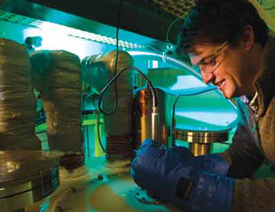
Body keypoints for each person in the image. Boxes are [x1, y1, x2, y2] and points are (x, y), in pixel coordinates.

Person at [130, 0, 275, 211]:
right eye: (200, 67)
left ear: (246, 38)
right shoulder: (247, 88)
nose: (205, 78)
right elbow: (249, 150)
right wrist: (204, 166)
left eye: (210, 61)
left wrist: (198, 189)